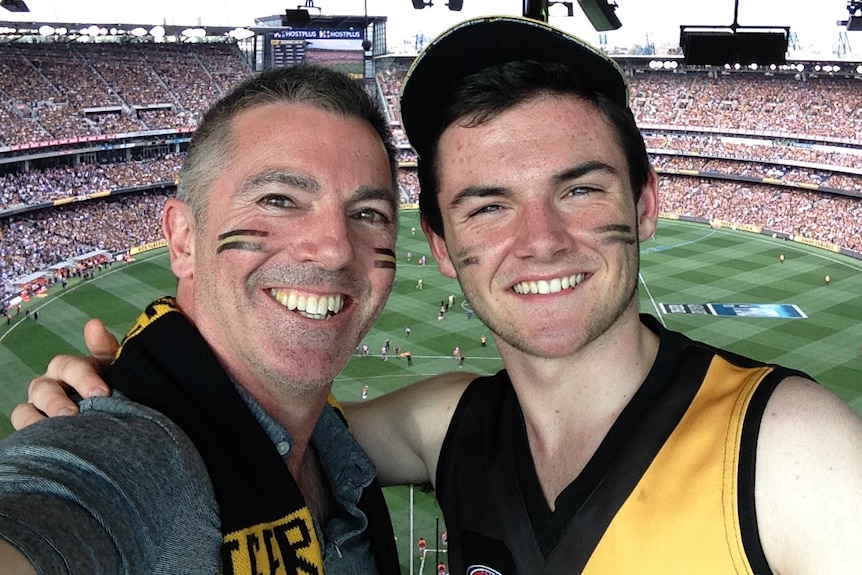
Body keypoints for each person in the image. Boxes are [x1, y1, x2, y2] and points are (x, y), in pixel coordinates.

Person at [15, 16, 862, 575]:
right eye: (487, 204)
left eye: (579, 189)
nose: (538, 240)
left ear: (644, 204)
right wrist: (122, 396)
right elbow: (250, 427)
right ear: (441, 246)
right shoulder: (453, 425)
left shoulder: (794, 454)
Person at [0, 65, 401, 574]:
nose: (334, 250)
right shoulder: (132, 456)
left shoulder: (331, 438)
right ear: (184, 239)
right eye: (278, 200)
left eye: (368, 213)